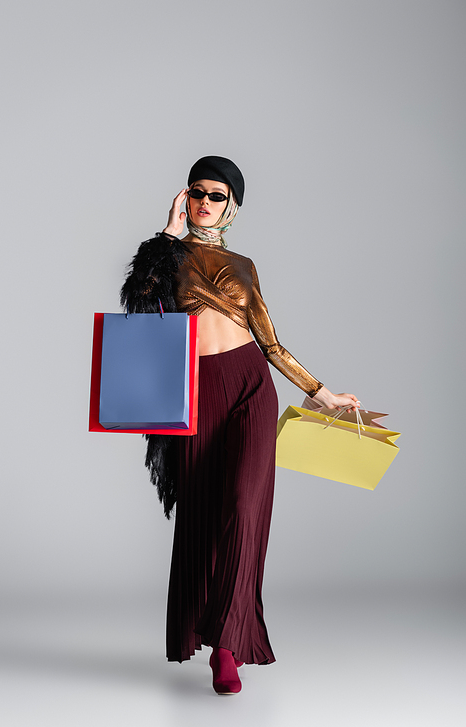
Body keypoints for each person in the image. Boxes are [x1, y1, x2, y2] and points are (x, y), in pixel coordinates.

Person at [120, 156, 359, 695]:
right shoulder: (167, 257)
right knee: (203, 511)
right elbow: (137, 306)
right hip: (196, 393)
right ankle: (207, 634)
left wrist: (322, 394)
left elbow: (270, 342)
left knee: (246, 507)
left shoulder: (246, 267)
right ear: (186, 198)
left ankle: (228, 644)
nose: (206, 202)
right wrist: (168, 232)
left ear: (234, 206)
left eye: (218, 195)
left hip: (250, 387)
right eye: (197, 192)